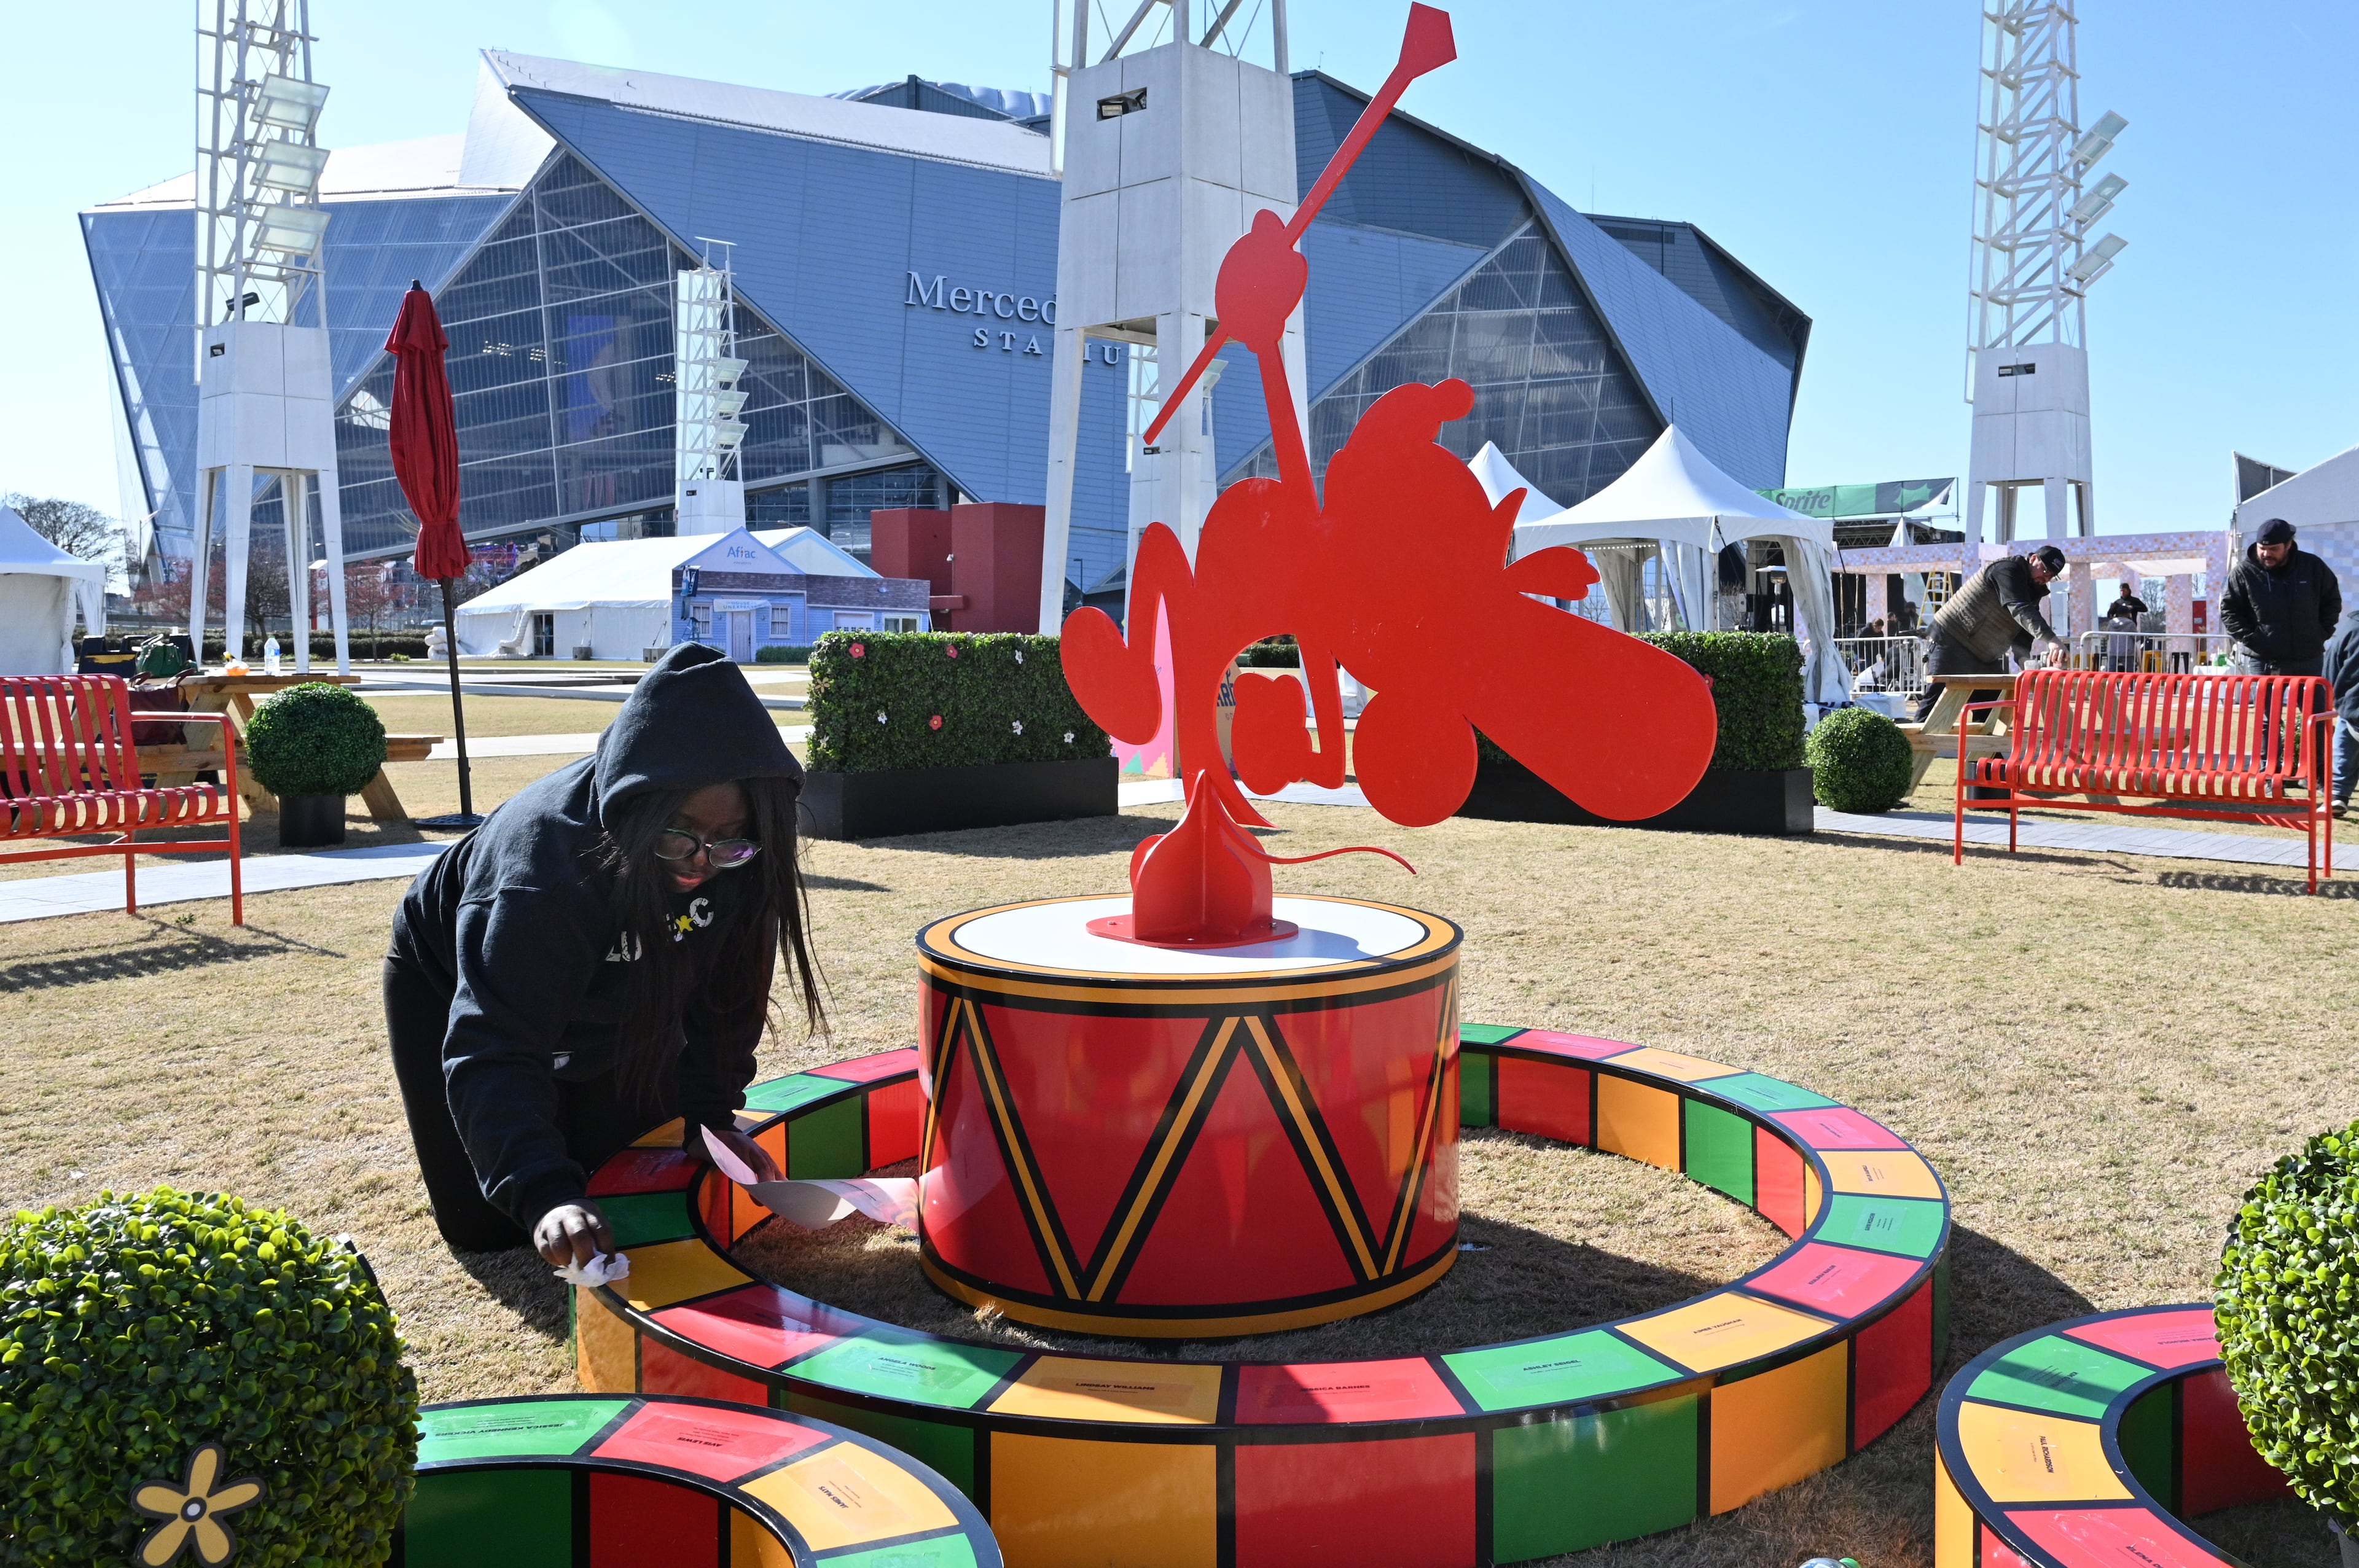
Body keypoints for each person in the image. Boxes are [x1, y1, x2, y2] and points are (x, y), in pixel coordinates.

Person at [384, 643, 823, 1267]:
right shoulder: (542, 870)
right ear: (638, 815)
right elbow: (497, 1043)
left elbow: (730, 997)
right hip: (453, 974)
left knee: (625, 1175)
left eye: (730, 839)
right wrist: (542, 1194)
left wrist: (709, 1116)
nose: (704, 861)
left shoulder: (747, 860)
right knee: (490, 1226)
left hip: (624, 975)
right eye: (681, 835)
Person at [1910, 544, 2068, 724]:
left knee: (1991, 713)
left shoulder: (2033, 589)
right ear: (2033, 559)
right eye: (2045, 570)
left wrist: (2023, 659)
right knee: (1935, 708)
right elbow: (2018, 607)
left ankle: (1991, 753)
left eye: (2051, 576)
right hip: (1951, 639)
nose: (2045, 578)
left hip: (1984, 655)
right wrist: (2051, 640)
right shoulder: (2007, 569)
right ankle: (1912, 749)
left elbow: (2022, 629)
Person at [2220, 518, 2342, 677]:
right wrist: (2253, 640)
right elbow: (2229, 610)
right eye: (2262, 548)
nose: (2266, 554)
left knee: (2314, 704)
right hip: (2263, 660)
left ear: (2289, 545)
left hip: (2309, 658)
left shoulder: (2313, 567)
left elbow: (2332, 601)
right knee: (2266, 704)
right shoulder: (2243, 573)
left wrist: (2320, 633)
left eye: (2274, 549)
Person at [2320, 604, 2359, 819]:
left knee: (2345, 740)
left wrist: (2335, 697)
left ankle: (2337, 794)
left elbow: (2331, 666)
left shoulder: (2350, 627)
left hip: (2352, 706)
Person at [2103, 581, 2148, 672]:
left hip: (2130, 628)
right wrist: (2112, 609)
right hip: (2117, 629)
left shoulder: (2134, 600)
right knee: (2116, 665)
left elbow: (2145, 609)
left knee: (2130, 656)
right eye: (2121, 591)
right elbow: (2109, 615)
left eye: (2124, 590)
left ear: (2128, 591)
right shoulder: (2118, 602)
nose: (2122, 592)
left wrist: (2133, 607)